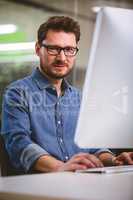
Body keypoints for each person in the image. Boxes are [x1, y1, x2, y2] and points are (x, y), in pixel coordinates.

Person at [1, 16, 133, 174]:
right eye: (54, 49)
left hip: (80, 183)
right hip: (39, 188)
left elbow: (94, 146)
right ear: (38, 49)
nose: (62, 58)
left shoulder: (80, 98)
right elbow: (18, 143)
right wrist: (60, 167)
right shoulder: (17, 93)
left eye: (69, 50)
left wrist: (114, 161)